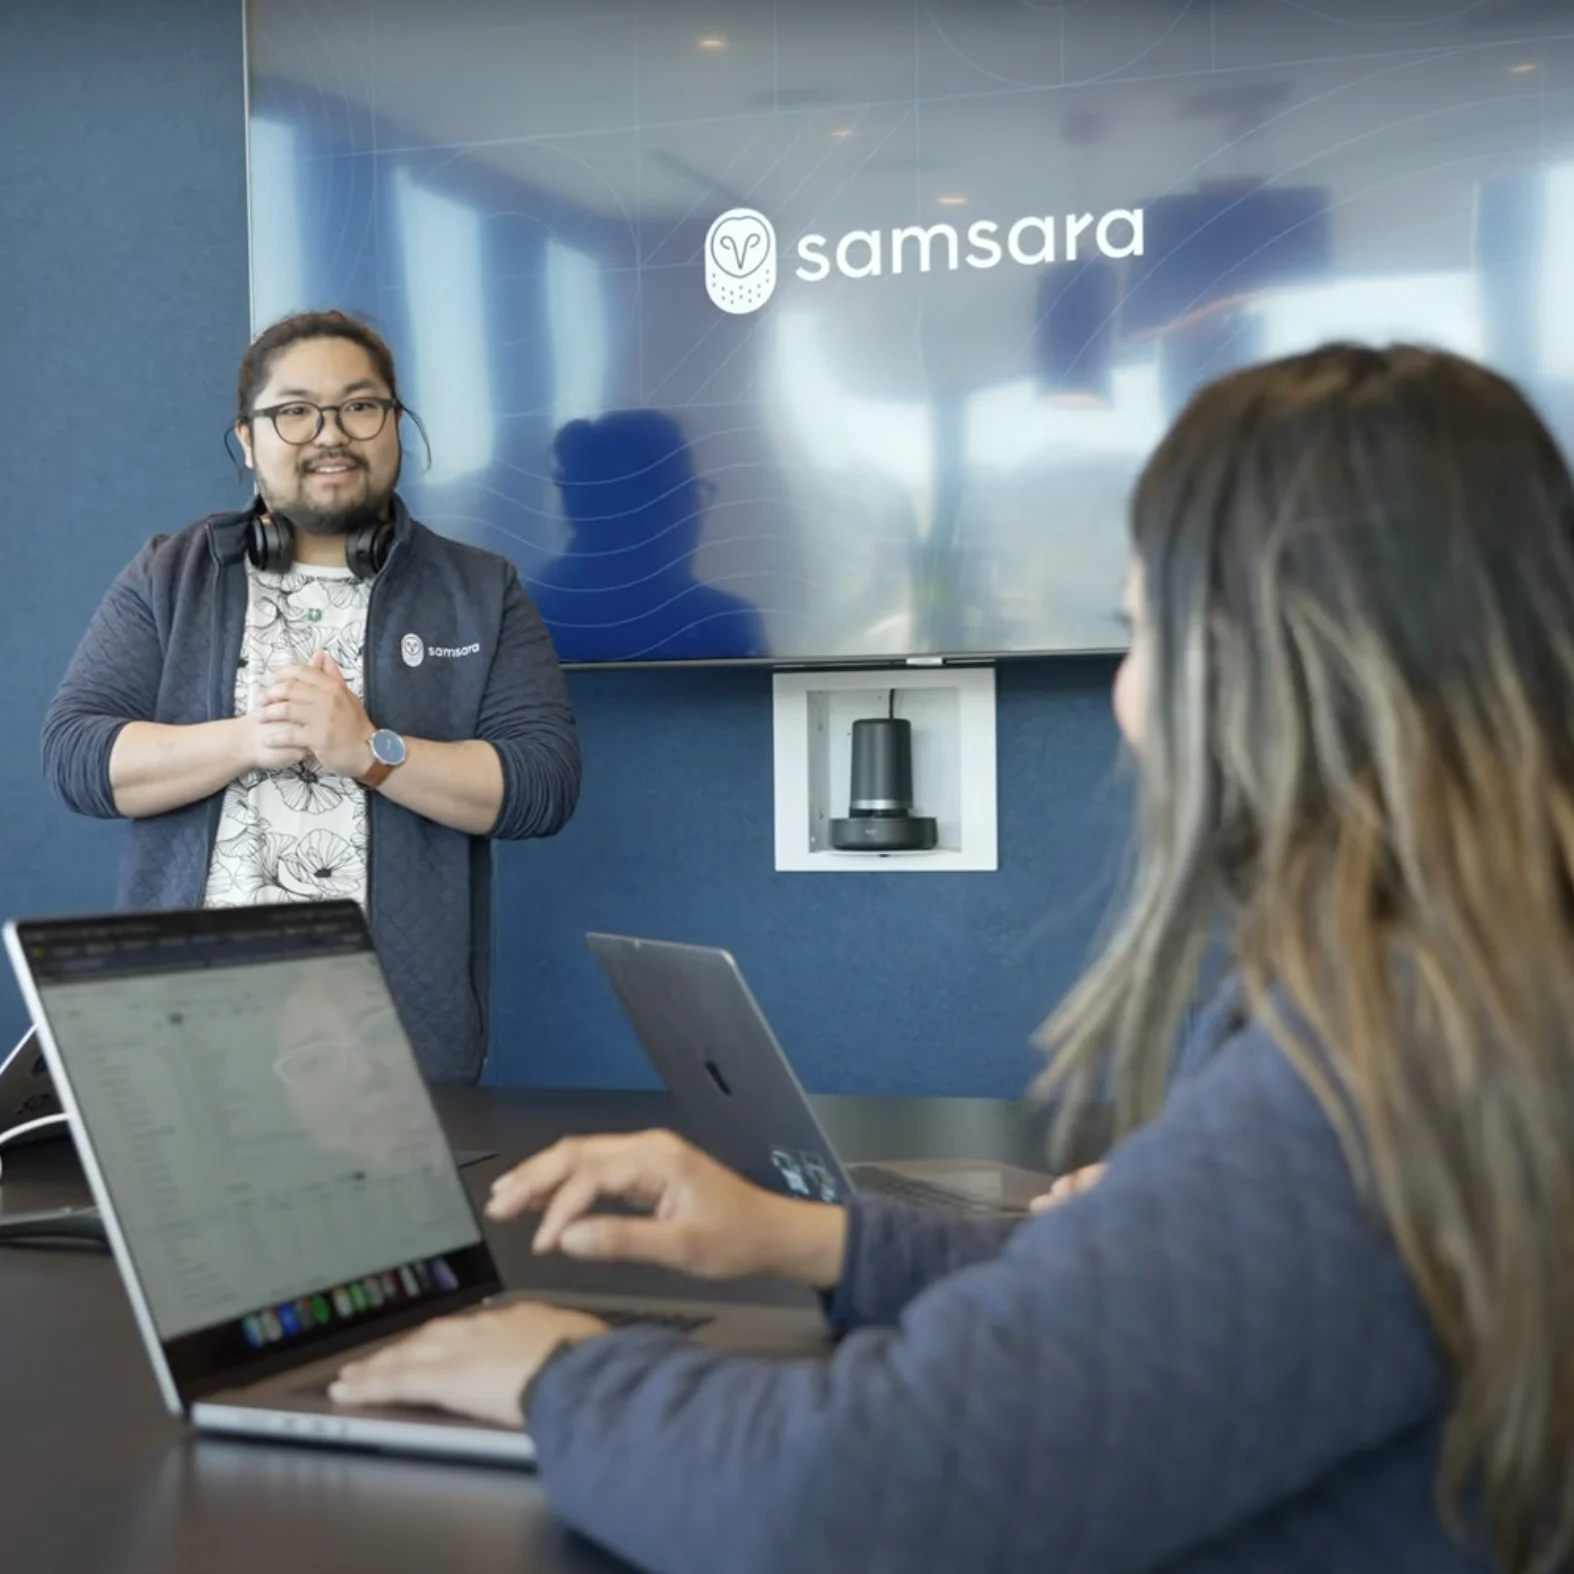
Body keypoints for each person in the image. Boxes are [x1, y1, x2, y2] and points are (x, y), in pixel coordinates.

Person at [331, 344, 1574, 1573]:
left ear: (1284, 648)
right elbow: (1132, 1299)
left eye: (1144, 635)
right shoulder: (1466, 992)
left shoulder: (1371, 1063)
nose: (1129, 699)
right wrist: (809, 1239)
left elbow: (836, 1502)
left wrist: (558, 1371)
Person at [42, 311, 580, 1083]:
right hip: (183, 1038)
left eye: (360, 406)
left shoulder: (479, 590)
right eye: (293, 411)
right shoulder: (172, 575)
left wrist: (370, 753)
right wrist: (248, 740)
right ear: (248, 440)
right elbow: (77, 758)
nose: (330, 433)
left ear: (395, 424)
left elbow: (541, 784)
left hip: (396, 1044)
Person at [531, 409, 768, 662]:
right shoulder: (725, 628)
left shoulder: (522, 618)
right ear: (637, 508)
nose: (698, 511)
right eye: (688, 492)